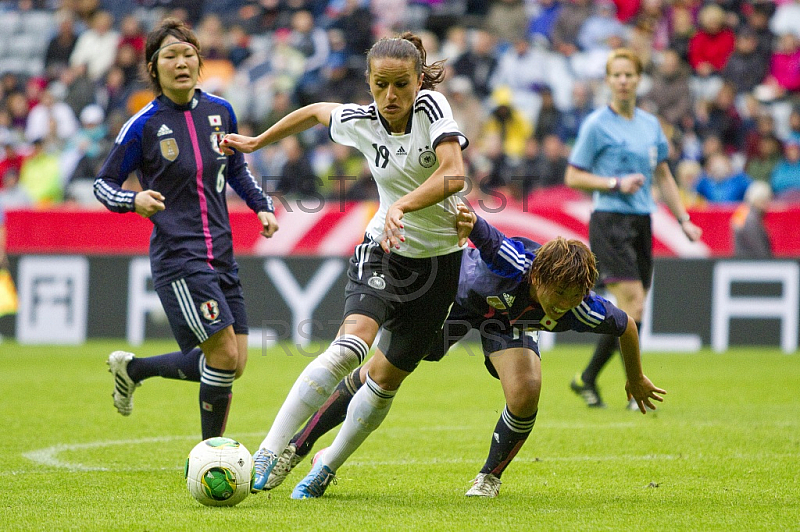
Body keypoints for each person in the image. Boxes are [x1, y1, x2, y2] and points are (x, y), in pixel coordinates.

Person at [256, 210, 666, 498]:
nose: (562, 305)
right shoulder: (514, 263)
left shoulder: (579, 305)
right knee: (380, 373)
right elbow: (478, 227)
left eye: (573, 297)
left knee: (526, 390)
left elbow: (627, 325)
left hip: (507, 324)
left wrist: (634, 377)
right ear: (538, 277)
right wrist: (458, 217)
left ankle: (489, 477)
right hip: (454, 302)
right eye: (557, 295)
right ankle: (298, 448)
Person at [221, 32, 469, 499]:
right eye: (380, 85)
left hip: (439, 264)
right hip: (384, 249)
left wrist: (403, 205)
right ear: (369, 82)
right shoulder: (362, 119)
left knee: (386, 378)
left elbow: (453, 173)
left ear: (419, 82)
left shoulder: (432, 109)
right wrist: (257, 142)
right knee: (350, 344)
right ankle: (271, 450)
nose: (390, 96)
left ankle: (325, 464)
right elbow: (316, 111)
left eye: (400, 84)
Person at [93, 19, 278, 440]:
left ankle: (135, 369)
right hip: (179, 256)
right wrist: (133, 200)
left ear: (200, 61)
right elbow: (103, 184)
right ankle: (210, 455)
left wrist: (261, 207)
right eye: (170, 56)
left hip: (222, 253)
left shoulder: (220, 111)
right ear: (153, 68)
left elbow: (236, 169)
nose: (181, 63)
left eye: (188, 54)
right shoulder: (142, 125)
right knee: (224, 354)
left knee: (235, 361)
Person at [564, 48, 702, 410]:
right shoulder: (596, 124)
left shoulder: (650, 125)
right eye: (617, 75)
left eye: (629, 74)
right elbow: (573, 175)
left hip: (642, 221)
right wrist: (613, 183)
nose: (623, 81)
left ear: (639, 80)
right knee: (633, 303)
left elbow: (663, 175)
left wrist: (684, 219)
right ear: (608, 81)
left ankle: (587, 378)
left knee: (634, 311)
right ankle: (633, 388)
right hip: (609, 220)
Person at [732, 181, 773, 259]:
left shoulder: (742, 212)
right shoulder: (751, 219)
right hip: (753, 264)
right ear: (759, 200)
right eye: (766, 200)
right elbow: (759, 249)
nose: (768, 204)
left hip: (743, 261)